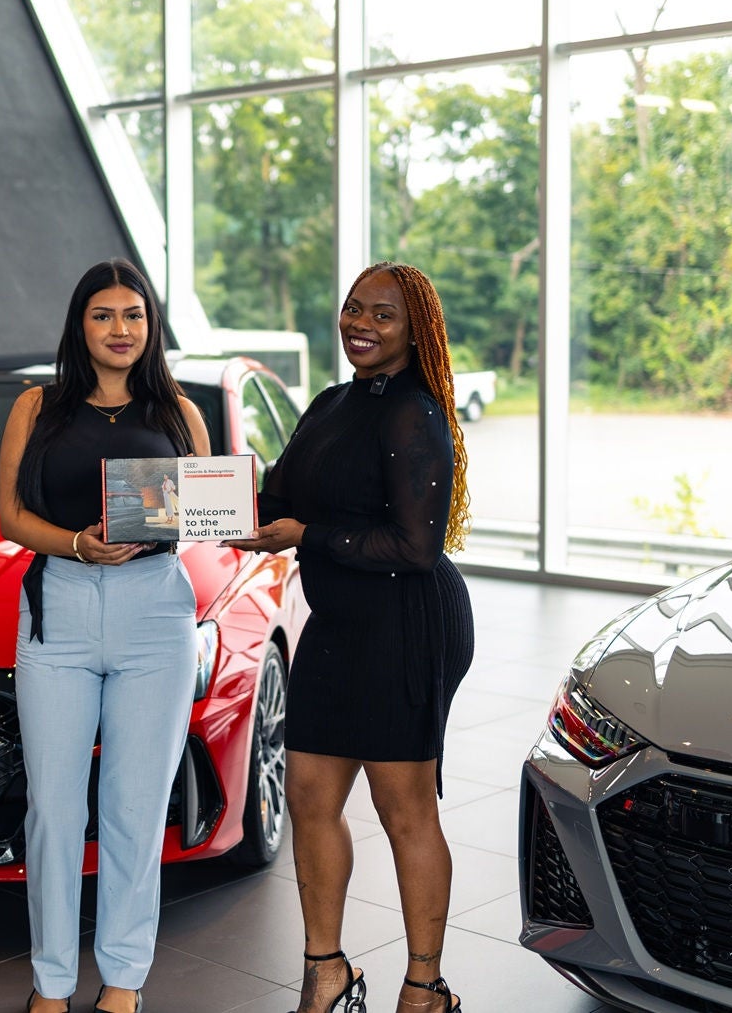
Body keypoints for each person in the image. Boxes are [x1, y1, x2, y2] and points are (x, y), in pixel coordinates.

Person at [226, 262, 475, 1013]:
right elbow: (275, 497)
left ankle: (424, 987)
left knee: (405, 809)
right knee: (308, 794)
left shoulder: (414, 413)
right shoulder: (332, 404)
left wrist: (308, 534)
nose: (361, 324)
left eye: (383, 315)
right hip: (336, 624)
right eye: (353, 308)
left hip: (405, 624)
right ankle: (326, 970)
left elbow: (413, 548)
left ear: (415, 330)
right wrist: (187, 505)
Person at [0, 259, 212, 1013]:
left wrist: (223, 517)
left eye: (134, 315)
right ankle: (51, 981)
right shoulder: (38, 407)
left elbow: (208, 518)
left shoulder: (180, 414)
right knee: (55, 808)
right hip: (59, 604)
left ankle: (123, 978)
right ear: (79, 325)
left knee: (135, 805)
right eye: (103, 315)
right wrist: (78, 545)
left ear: (151, 327)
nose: (121, 329)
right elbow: (11, 520)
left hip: (156, 611)